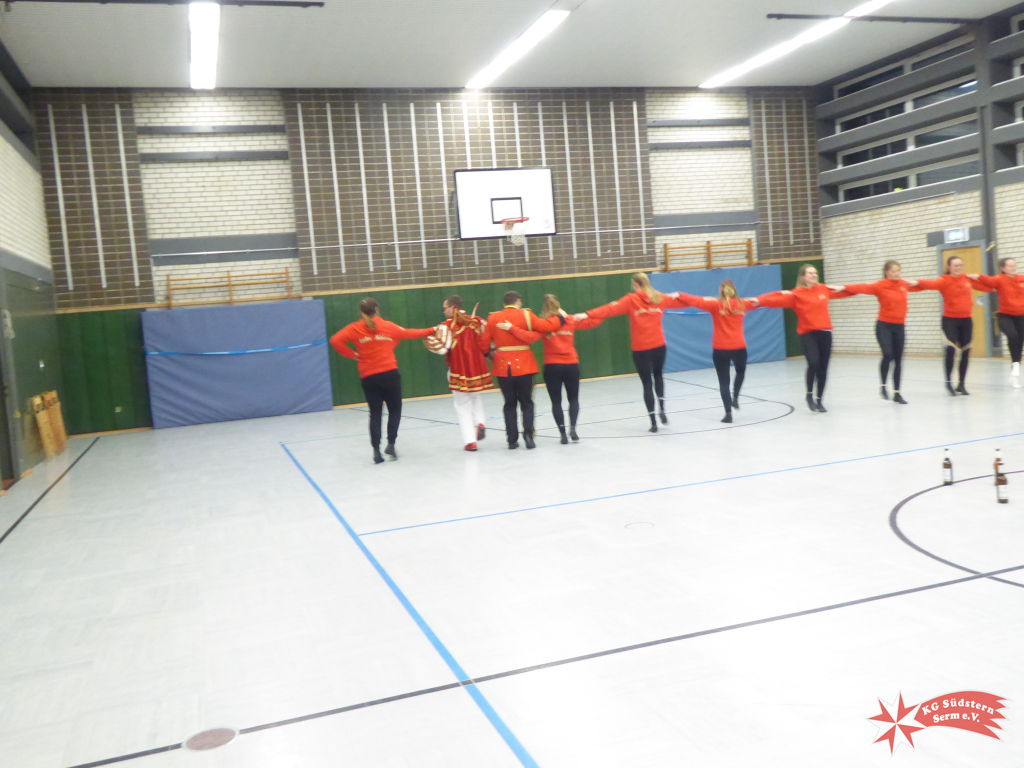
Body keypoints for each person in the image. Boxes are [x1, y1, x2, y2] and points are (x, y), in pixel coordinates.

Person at [330, 298, 436, 463]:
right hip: (389, 374)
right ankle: (391, 444)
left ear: (361, 312)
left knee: (375, 414)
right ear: (377, 309)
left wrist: (353, 354)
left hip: (369, 377)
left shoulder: (355, 328)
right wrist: (433, 329)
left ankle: (376, 451)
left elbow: (335, 340)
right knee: (395, 410)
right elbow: (409, 333)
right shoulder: (387, 326)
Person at [575, 273, 683, 432]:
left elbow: (609, 309)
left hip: (641, 348)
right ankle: (662, 408)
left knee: (647, 383)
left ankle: (653, 422)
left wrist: (587, 314)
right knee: (658, 376)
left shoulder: (631, 300)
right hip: (659, 345)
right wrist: (682, 295)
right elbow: (681, 302)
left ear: (636, 285)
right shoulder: (659, 297)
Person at [499, 294, 603, 443]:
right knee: (573, 399)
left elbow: (529, 337)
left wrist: (512, 328)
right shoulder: (569, 319)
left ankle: (562, 433)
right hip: (571, 364)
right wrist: (601, 311)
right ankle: (573, 428)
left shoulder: (544, 323)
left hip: (552, 365)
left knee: (556, 401)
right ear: (558, 305)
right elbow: (593, 322)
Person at [478, 291, 564, 449]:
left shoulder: (493, 317)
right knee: (527, 403)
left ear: (504, 303)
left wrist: (489, 355)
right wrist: (561, 318)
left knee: (509, 404)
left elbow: (483, 344)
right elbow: (546, 327)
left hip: (502, 366)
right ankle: (529, 437)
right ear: (518, 301)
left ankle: (511, 440)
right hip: (525, 365)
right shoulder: (526, 315)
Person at [757, 264, 848, 413]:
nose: (814, 275)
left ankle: (819, 400)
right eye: (810, 273)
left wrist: (845, 287)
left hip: (825, 333)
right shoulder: (796, 294)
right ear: (803, 276)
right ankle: (809, 395)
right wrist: (759, 300)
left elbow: (846, 292)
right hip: (808, 334)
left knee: (823, 368)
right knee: (813, 363)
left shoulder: (823, 289)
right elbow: (774, 300)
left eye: (815, 273)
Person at [671, 280, 760, 423]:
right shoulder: (743, 304)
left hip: (720, 348)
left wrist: (680, 294)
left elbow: (696, 301)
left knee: (724, 382)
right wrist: (773, 296)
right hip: (739, 346)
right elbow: (761, 301)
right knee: (740, 371)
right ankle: (735, 397)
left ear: (721, 290)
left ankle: (728, 414)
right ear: (734, 289)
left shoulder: (715, 304)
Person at [841, 260, 922, 404]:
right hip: (884, 326)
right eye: (893, 271)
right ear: (886, 272)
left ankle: (897, 393)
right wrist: (844, 287)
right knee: (888, 354)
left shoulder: (903, 284)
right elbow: (863, 287)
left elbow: (921, 286)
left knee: (898, 359)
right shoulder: (880, 285)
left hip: (899, 326)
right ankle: (883, 386)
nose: (896, 274)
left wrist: (920, 283)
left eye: (898, 271)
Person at [914, 255, 983, 396]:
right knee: (951, 350)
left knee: (966, 350)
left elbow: (986, 286)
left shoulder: (966, 279)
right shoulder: (944, 280)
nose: (958, 268)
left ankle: (961, 384)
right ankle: (948, 382)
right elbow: (929, 284)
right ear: (949, 267)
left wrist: (981, 277)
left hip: (966, 320)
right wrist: (915, 282)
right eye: (955, 265)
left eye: (960, 265)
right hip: (950, 320)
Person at [440, 295, 491, 452]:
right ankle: (480, 422)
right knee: (475, 397)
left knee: (462, 406)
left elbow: (442, 349)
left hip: (458, 370)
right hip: (476, 369)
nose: (444, 311)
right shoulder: (477, 321)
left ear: (453, 307)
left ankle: (470, 441)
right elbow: (488, 337)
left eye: (445, 308)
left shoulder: (446, 326)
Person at [968, 257, 1024, 388]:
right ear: (1003, 268)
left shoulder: (1021, 278)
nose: (1013, 268)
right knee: (1013, 336)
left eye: (1014, 265)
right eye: (1010, 266)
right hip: (1005, 316)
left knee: (1020, 341)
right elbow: (987, 281)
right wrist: (978, 276)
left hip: (1021, 316)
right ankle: (1015, 366)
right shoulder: (999, 279)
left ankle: (1015, 368)